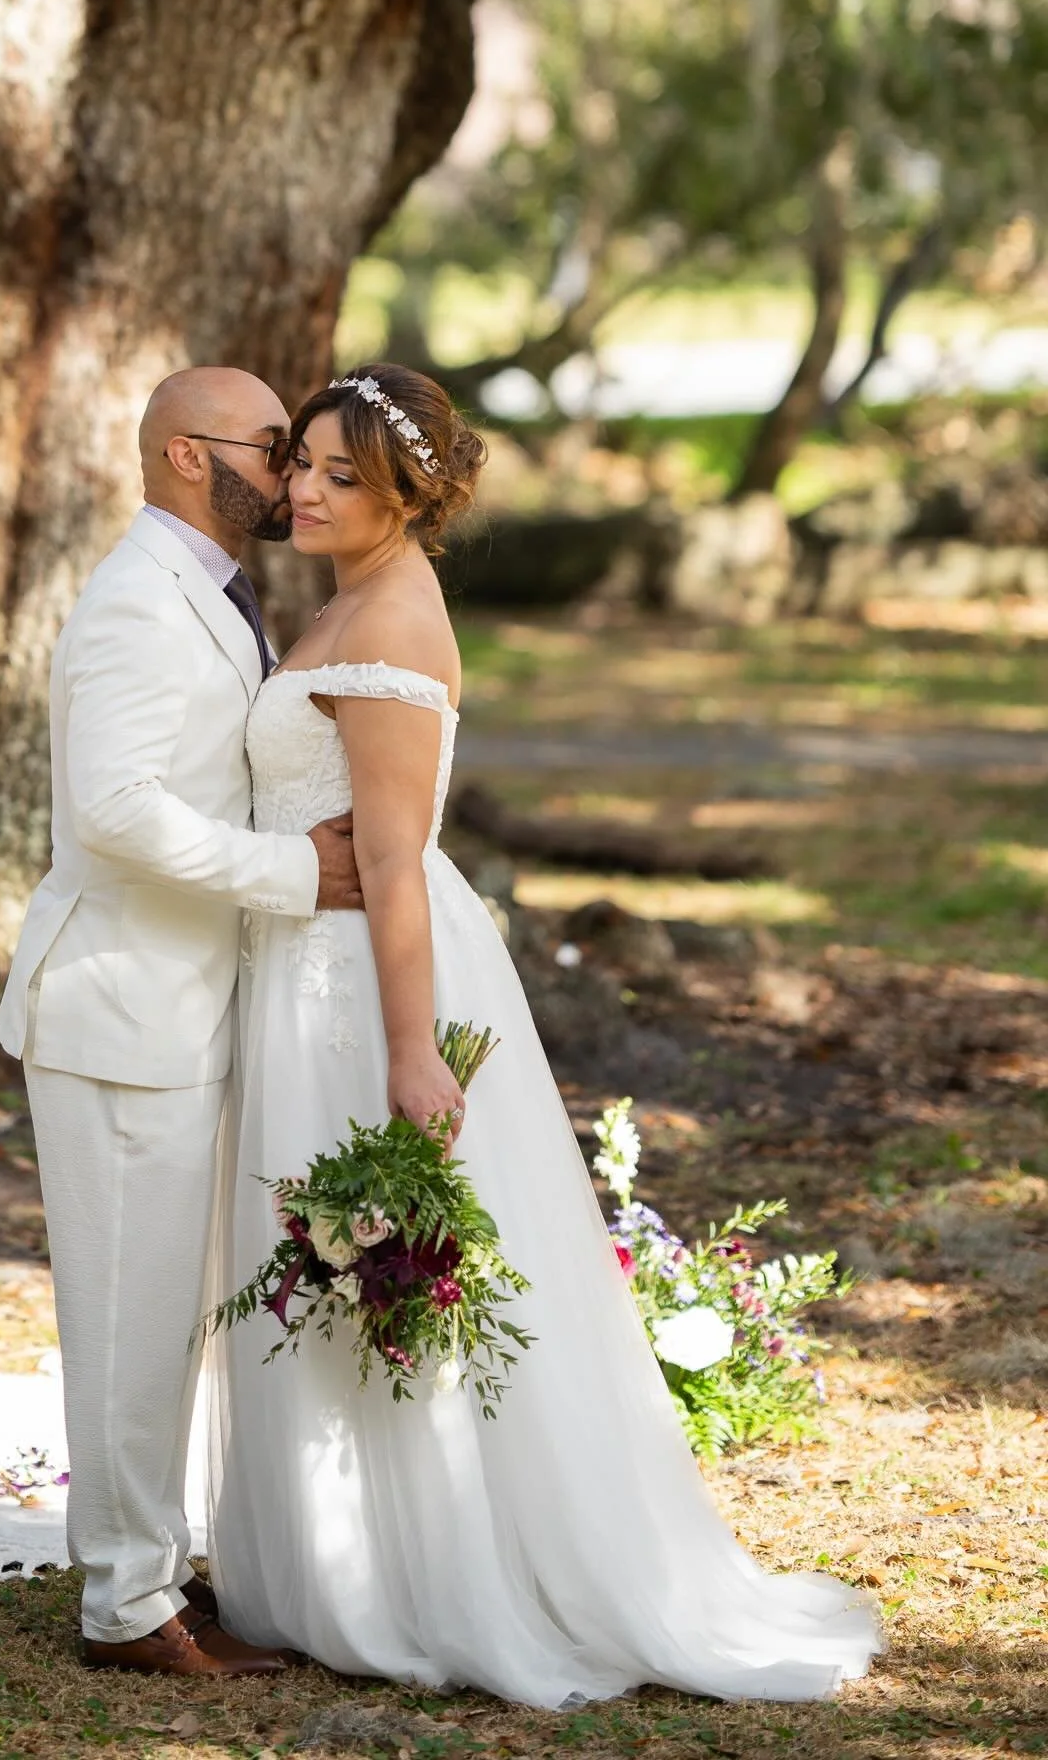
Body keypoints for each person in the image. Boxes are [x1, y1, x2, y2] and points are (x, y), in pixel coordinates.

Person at [207, 362, 882, 1705]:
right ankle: (345, 1552)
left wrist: (410, 1053)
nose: (306, 492)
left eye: (343, 475)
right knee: (331, 1262)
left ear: (412, 496)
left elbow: (393, 863)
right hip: (307, 960)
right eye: (304, 464)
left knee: (383, 1263)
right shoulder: (351, 594)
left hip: (366, 981)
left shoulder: (392, 625)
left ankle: (428, 1572)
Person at [0, 365, 364, 1680]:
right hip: (118, 1008)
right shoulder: (136, 602)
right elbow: (114, 809)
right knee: (125, 1319)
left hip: (183, 1002)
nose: (292, 469)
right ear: (187, 455)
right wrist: (292, 873)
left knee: (171, 1316)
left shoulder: (209, 589)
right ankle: (122, 1607)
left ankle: (152, 1563)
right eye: (271, 446)